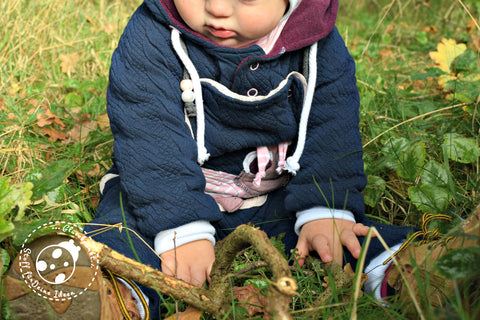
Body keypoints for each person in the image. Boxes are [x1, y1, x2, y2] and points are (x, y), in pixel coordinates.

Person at [4, 0, 478, 319]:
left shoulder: (317, 43)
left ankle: (411, 269)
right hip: (164, 191)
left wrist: (325, 207)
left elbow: (331, 123)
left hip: (276, 193)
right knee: (121, 231)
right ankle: (89, 290)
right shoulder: (152, 35)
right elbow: (145, 127)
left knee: (342, 241)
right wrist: (182, 226)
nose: (217, 8)